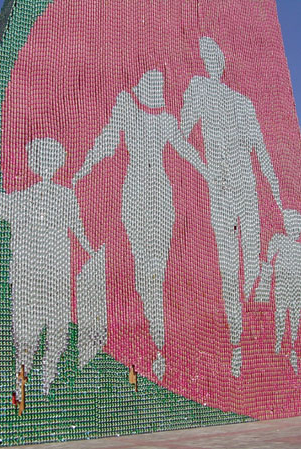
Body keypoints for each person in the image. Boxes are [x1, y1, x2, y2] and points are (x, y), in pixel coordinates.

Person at [73, 70, 206, 380]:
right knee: (143, 269)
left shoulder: (165, 120)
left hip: (161, 192)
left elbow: (184, 149)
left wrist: (208, 173)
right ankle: (154, 338)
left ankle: (158, 341)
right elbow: (107, 140)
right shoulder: (125, 106)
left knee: (156, 270)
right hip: (136, 190)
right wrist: (85, 167)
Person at [0, 137, 94, 401]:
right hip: (30, 278)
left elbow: (80, 231)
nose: (46, 164)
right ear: (35, 163)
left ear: (57, 163)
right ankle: (22, 387)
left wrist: (93, 252)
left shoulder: (65, 197)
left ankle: (45, 384)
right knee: (27, 337)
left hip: (55, 276)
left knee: (56, 332)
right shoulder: (22, 199)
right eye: (41, 158)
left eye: (50, 158)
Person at [181, 37, 283, 377]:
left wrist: (279, 198)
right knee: (228, 268)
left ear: (222, 62)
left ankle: (254, 299)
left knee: (250, 264)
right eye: (205, 55)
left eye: (214, 54)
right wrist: (204, 167)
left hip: (247, 189)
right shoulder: (197, 90)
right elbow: (182, 132)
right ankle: (237, 341)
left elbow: (263, 153)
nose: (210, 59)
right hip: (221, 189)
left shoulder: (243, 102)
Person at [256, 209, 301, 372]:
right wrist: (264, 281)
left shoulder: (300, 249)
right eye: (293, 226)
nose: (296, 230)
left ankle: (292, 347)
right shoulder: (278, 240)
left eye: (299, 227)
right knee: (280, 315)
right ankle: (279, 345)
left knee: (294, 319)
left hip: (298, 291)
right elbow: (267, 260)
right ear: (287, 226)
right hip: (281, 288)